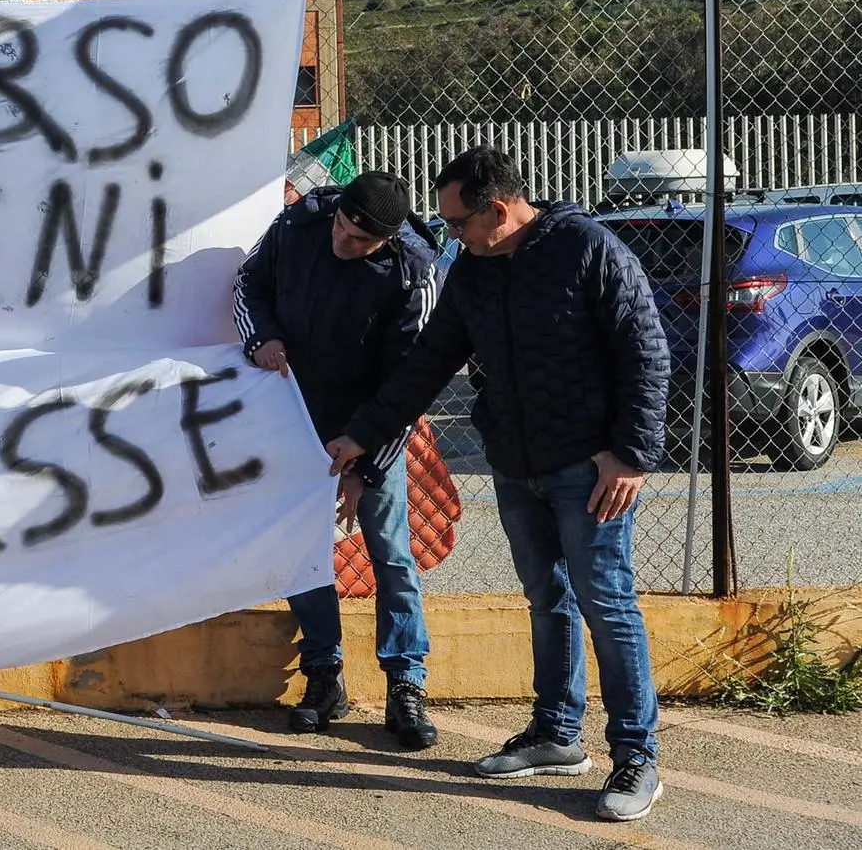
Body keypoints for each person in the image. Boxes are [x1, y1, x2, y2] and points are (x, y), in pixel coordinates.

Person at [327, 146, 670, 822]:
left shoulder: (585, 249)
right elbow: (427, 363)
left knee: (606, 603)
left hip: (590, 469)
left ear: (497, 209)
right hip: (516, 466)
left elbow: (644, 347)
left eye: (457, 222)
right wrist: (362, 433)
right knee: (546, 596)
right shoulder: (474, 272)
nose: (449, 235)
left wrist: (629, 454)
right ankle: (555, 732)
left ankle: (636, 755)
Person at [234, 171, 440, 748]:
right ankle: (324, 674)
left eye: (360, 242)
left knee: (391, 554)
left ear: (389, 241)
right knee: (304, 554)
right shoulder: (298, 226)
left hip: (372, 426)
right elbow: (247, 285)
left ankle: (406, 683)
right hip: (295, 421)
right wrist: (262, 339)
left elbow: (408, 385)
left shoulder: (413, 271)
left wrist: (364, 465)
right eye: (343, 230)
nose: (343, 244)